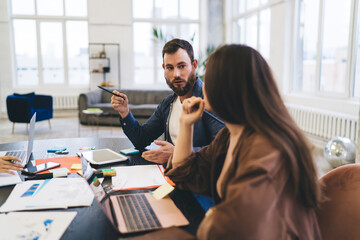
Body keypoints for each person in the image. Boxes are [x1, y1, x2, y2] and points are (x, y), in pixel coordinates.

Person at [162, 44, 322, 239]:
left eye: (209, 79)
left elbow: (237, 227)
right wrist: (186, 124)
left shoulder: (266, 148)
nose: (204, 85)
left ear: (227, 86)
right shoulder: (230, 135)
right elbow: (184, 173)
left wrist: (211, 217)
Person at [111, 38, 224, 211]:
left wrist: (179, 154)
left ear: (193, 65)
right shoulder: (168, 104)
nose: (176, 74)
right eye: (170, 68)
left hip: (200, 186)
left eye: (182, 66)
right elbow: (141, 139)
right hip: (171, 179)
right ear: (164, 69)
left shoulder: (209, 99)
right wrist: (125, 112)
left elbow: (223, 149)